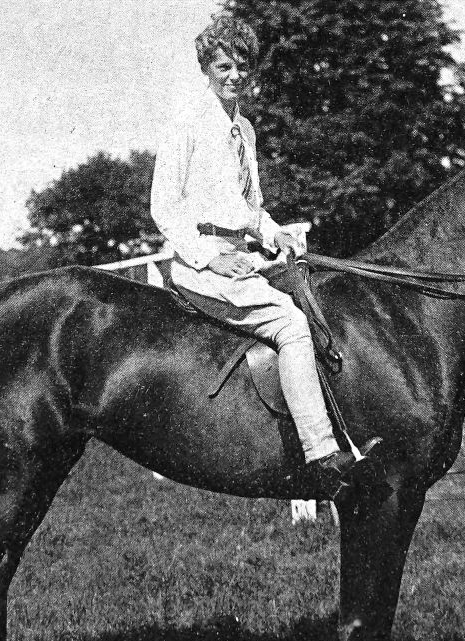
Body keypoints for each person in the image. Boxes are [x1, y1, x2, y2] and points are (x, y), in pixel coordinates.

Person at [150, 15, 377, 494]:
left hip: (243, 256)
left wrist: (277, 236)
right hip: (205, 266)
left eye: (243, 66)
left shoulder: (244, 130)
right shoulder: (186, 124)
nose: (234, 75)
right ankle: (321, 454)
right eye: (224, 65)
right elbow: (164, 206)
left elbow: (251, 209)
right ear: (207, 69)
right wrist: (207, 259)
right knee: (292, 325)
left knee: (316, 297)